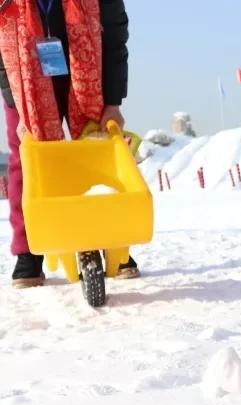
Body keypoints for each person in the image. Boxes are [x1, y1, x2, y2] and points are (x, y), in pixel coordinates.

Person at [0, 0, 138, 288]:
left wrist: (113, 102)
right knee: (26, 158)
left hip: (87, 74)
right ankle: (28, 252)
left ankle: (115, 243)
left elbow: (114, 37)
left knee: (98, 152)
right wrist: (18, 104)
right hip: (25, 79)